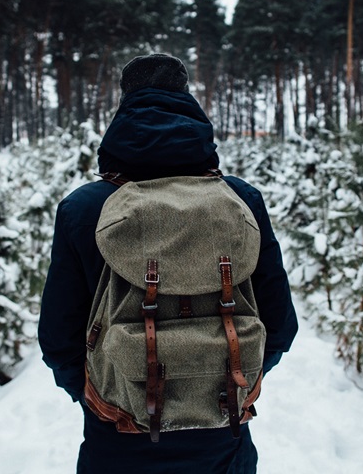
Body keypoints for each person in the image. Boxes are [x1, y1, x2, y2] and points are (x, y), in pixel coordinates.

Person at [38, 53, 298, 474]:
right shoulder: (241, 200)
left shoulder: (84, 208)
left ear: (124, 106)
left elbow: (57, 336)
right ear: (189, 103)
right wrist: (233, 380)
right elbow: (280, 323)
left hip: (116, 435)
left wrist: (103, 396)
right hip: (223, 427)